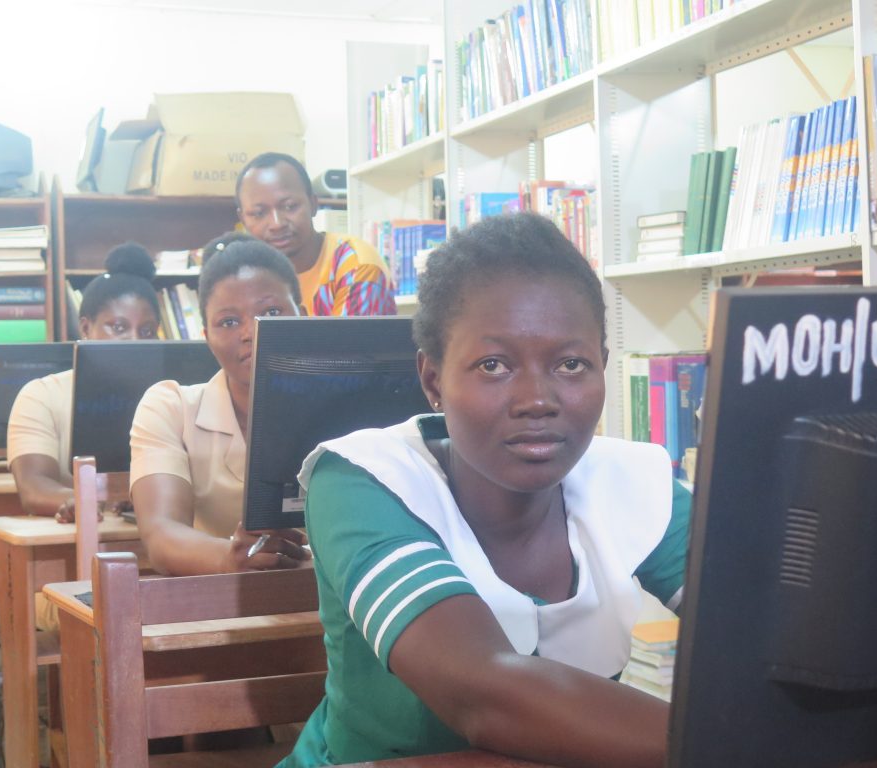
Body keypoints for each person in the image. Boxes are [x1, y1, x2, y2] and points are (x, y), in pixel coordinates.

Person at [278, 212, 691, 768]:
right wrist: (732, 747)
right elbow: (483, 693)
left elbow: (769, 636)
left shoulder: (638, 483)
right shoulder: (362, 480)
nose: (537, 399)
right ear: (433, 380)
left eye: (571, 364)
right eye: (493, 365)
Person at [129, 237, 312, 576]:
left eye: (271, 312)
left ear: (302, 315)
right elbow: (160, 536)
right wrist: (231, 557)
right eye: (229, 322)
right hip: (221, 604)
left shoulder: (343, 400)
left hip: (337, 604)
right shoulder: (170, 408)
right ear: (206, 336)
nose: (250, 332)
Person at [7, 242, 161, 522]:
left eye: (147, 330)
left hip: (154, 533)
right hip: (74, 536)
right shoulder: (41, 395)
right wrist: (79, 502)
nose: (135, 340)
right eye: (119, 327)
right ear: (86, 328)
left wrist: (148, 499)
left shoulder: (170, 396)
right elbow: (33, 486)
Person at [235, 152, 397, 317]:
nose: (277, 224)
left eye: (290, 206)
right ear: (243, 220)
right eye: (259, 213)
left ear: (313, 204)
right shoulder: (243, 276)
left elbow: (347, 342)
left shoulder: (355, 264)